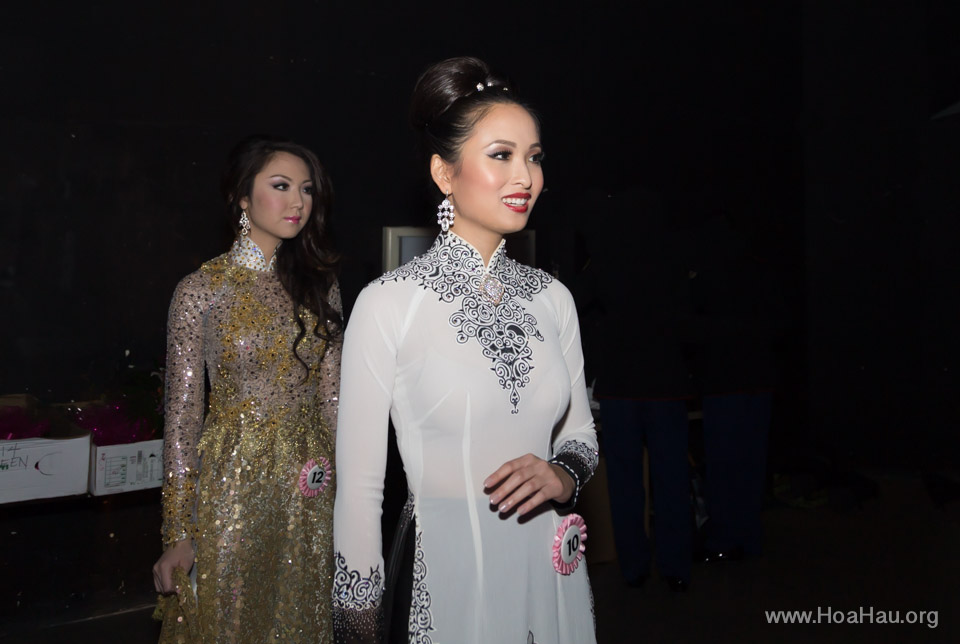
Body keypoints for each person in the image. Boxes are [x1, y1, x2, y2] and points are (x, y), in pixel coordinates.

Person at [332, 57, 599, 644]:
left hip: (551, 564)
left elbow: (580, 432)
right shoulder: (388, 304)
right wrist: (356, 625)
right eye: (501, 155)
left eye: (534, 157)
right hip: (446, 577)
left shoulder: (553, 299)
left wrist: (562, 474)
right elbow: (360, 488)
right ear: (444, 173)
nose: (525, 176)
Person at [152, 135, 343, 643]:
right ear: (242, 197)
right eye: (280, 186)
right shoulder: (201, 291)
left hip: (310, 486)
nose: (297, 201)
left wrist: (354, 502)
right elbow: (182, 418)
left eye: (306, 189)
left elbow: (333, 400)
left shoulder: (320, 286)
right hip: (229, 489)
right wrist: (178, 533)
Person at [579, 186, 695, 591]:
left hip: (620, 385)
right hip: (665, 382)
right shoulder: (671, 254)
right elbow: (688, 318)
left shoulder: (606, 256)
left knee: (625, 481)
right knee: (671, 478)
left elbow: (578, 304)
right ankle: (676, 565)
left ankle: (634, 567)